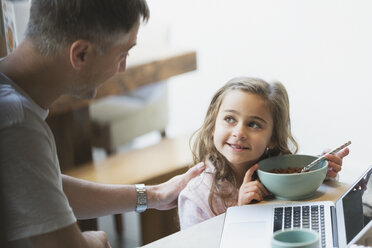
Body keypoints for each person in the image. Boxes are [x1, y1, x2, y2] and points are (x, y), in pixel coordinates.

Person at [0, 0, 205, 247]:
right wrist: (93, 241)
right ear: (81, 54)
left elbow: (46, 186)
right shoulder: (16, 123)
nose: (123, 68)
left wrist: (154, 195)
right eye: (122, 54)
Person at [178, 77, 349, 230]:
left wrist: (322, 173)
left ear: (272, 137)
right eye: (230, 119)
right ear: (212, 126)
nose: (239, 133)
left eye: (254, 124)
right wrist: (241, 214)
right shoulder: (195, 198)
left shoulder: (278, 173)